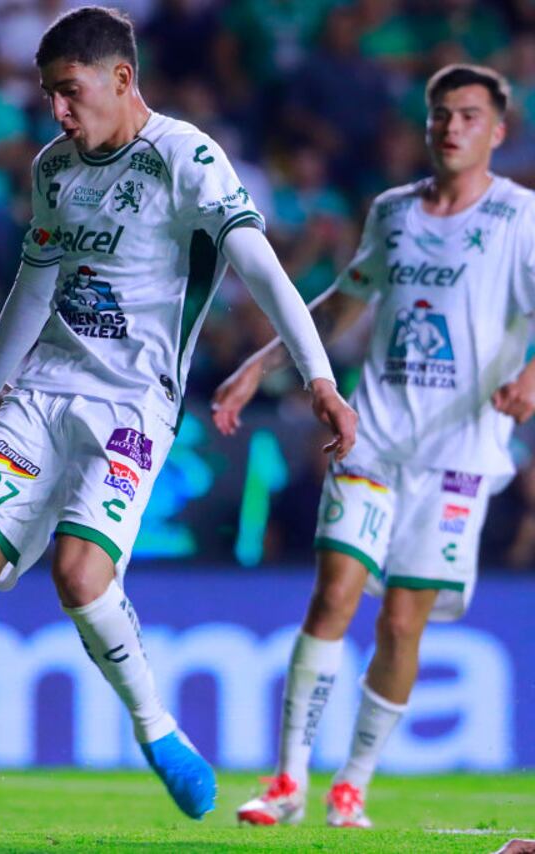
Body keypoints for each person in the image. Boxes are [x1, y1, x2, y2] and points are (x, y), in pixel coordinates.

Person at [0, 7, 356, 839]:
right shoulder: (54, 167)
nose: (56, 110)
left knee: (80, 577)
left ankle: (155, 726)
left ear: (122, 78)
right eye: (49, 93)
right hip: (43, 394)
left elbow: (261, 272)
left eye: (69, 90)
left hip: (132, 406)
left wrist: (320, 381)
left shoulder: (186, 158)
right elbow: (37, 278)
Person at [216, 64, 535, 829]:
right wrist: (261, 364)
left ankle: (352, 782)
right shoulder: (392, 212)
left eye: (467, 116)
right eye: (440, 115)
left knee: (401, 622)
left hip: (459, 452)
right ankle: (288, 781)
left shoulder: (522, 217)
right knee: (333, 593)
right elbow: (345, 298)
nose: (452, 127)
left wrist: (530, 376)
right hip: (376, 436)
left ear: (497, 130)